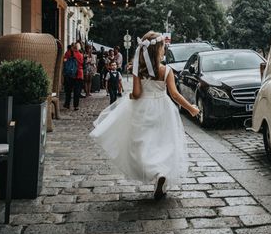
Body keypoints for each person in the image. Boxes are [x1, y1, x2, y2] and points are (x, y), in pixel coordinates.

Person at [90, 31, 199, 200]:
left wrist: (131, 97)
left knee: (144, 142)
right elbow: (175, 95)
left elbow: (137, 93)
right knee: (164, 142)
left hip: (143, 108)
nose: (164, 49)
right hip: (164, 108)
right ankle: (162, 172)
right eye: (163, 47)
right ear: (158, 50)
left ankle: (153, 168)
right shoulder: (166, 70)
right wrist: (191, 108)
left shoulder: (138, 70)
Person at [63, 41, 84, 111]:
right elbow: (82, 63)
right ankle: (76, 105)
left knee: (68, 90)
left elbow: (64, 61)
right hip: (79, 74)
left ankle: (67, 104)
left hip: (70, 74)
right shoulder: (81, 55)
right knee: (77, 91)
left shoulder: (68, 53)